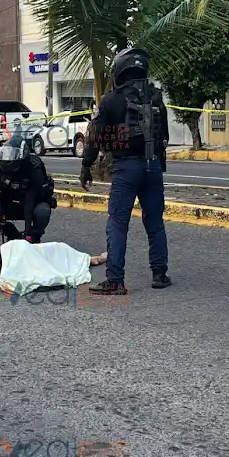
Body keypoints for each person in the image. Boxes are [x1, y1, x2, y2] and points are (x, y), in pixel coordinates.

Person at [79, 47, 170, 295]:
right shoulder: (156, 98)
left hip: (126, 168)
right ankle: (159, 274)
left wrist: (86, 165)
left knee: (118, 223)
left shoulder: (111, 100)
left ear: (119, 70)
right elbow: (164, 136)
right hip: (153, 167)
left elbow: (94, 136)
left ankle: (115, 280)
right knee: (155, 222)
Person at [0, 134, 57, 244]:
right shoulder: (2, 167)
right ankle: (14, 235)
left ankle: (34, 237)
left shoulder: (34, 168)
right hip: (14, 204)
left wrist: (28, 233)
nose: (9, 157)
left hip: (34, 204)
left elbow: (30, 200)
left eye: (13, 154)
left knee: (42, 213)